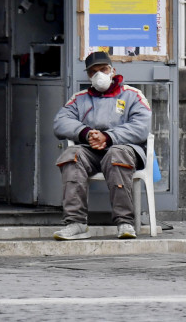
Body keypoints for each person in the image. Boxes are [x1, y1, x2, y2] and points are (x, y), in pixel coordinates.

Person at [52, 51, 152, 240]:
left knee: (116, 155)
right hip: (91, 151)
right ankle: (76, 223)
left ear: (112, 70)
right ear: (89, 75)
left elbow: (141, 128)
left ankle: (125, 222)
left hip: (125, 149)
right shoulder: (79, 98)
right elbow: (60, 122)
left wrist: (108, 136)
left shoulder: (133, 95)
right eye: (94, 71)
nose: (99, 75)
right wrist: (86, 133)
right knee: (71, 155)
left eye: (103, 69)